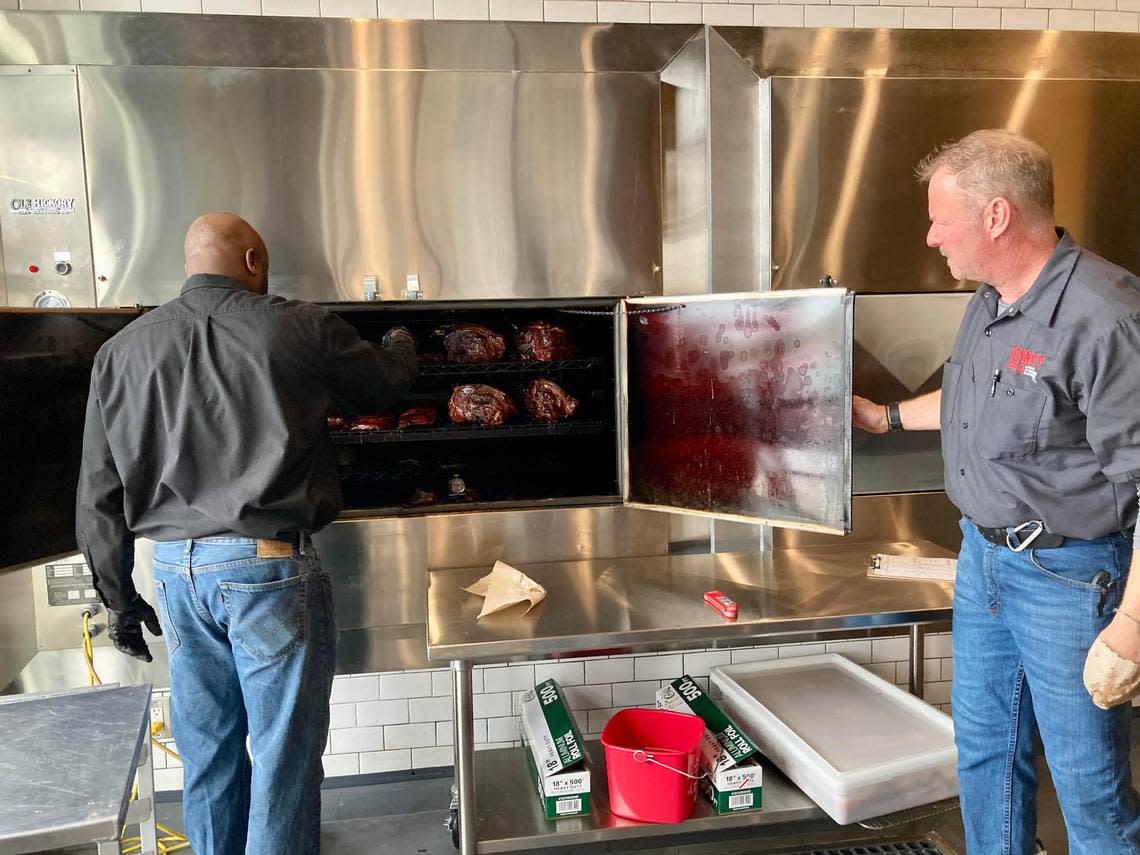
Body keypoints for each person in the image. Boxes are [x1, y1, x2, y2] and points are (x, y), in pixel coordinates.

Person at [76, 212, 417, 855]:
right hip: (270, 567)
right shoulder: (299, 325)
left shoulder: (119, 352)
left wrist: (118, 599)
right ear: (254, 262)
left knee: (207, 753)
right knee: (284, 755)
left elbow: (98, 491)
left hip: (176, 573)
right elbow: (388, 385)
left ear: (188, 265)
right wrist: (402, 336)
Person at [854, 129, 1140, 854]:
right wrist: (884, 417)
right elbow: (974, 396)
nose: (929, 235)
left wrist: (1132, 629)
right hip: (984, 564)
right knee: (984, 759)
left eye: (939, 218)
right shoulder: (990, 297)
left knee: (1090, 789)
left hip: (1071, 579)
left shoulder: (1106, 317)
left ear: (996, 216)